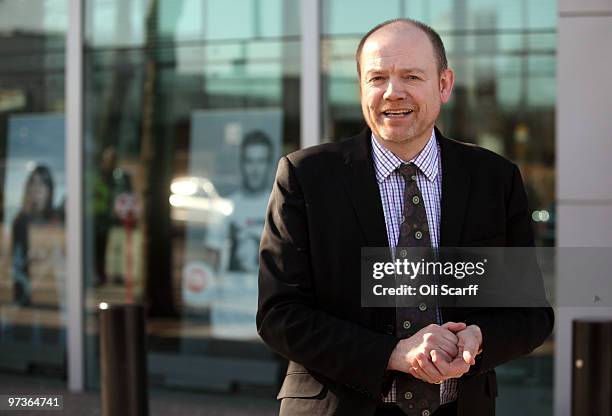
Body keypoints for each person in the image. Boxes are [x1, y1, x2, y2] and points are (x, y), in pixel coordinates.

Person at [256, 19, 554, 416]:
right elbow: (279, 314)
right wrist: (394, 353)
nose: (393, 93)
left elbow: (529, 314)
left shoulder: (494, 180)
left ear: (444, 84)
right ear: (361, 87)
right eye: (377, 77)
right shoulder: (306, 177)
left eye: (411, 76)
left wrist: (477, 339)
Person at [11, 165, 57, 306]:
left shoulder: (58, 220)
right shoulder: (20, 220)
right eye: (33, 183)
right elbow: (18, 263)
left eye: (41, 183)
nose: (36, 189)